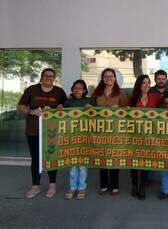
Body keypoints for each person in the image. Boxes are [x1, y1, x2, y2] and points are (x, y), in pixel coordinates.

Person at [17, 68, 67, 199]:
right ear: (42, 77)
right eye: (46, 76)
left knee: (51, 158)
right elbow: (20, 106)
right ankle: (35, 186)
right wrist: (32, 111)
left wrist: (59, 108)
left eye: (51, 76)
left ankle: (52, 185)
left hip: (52, 132)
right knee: (36, 159)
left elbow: (66, 107)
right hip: (33, 131)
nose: (49, 78)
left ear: (54, 79)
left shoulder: (59, 91)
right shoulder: (31, 90)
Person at [91, 68, 128, 196]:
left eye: (111, 76)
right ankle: (104, 184)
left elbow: (126, 110)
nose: (108, 78)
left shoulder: (120, 93)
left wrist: (119, 109)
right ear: (102, 78)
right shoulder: (96, 93)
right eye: (106, 76)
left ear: (115, 78)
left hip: (115, 131)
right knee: (102, 157)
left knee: (114, 156)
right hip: (100, 130)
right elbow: (90, 109)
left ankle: (114, 185)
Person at [59, 80, 96, 200]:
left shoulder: (90, 101)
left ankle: (82, 188)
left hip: (85, 138)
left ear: (84, 90)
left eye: (80, 88)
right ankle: (72, 187)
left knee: (82, 165)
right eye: (75, 88)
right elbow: (59, 115)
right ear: (72, 89)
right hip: (71, 138)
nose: (77, 90)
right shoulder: (68, 102)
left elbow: (99, 115)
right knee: (72, 164)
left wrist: (92, 109)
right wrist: (59, 107)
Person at [128, 74, 162, 200]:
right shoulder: (132, 99)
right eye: (144, 83)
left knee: (145, 163)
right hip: (134, 136)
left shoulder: (156, 98)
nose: (147, 85)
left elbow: (163, 114)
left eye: (148, 83)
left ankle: (142, 188)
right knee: (134, 163)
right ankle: (134, 186)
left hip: (149, 137)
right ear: (139, 85)